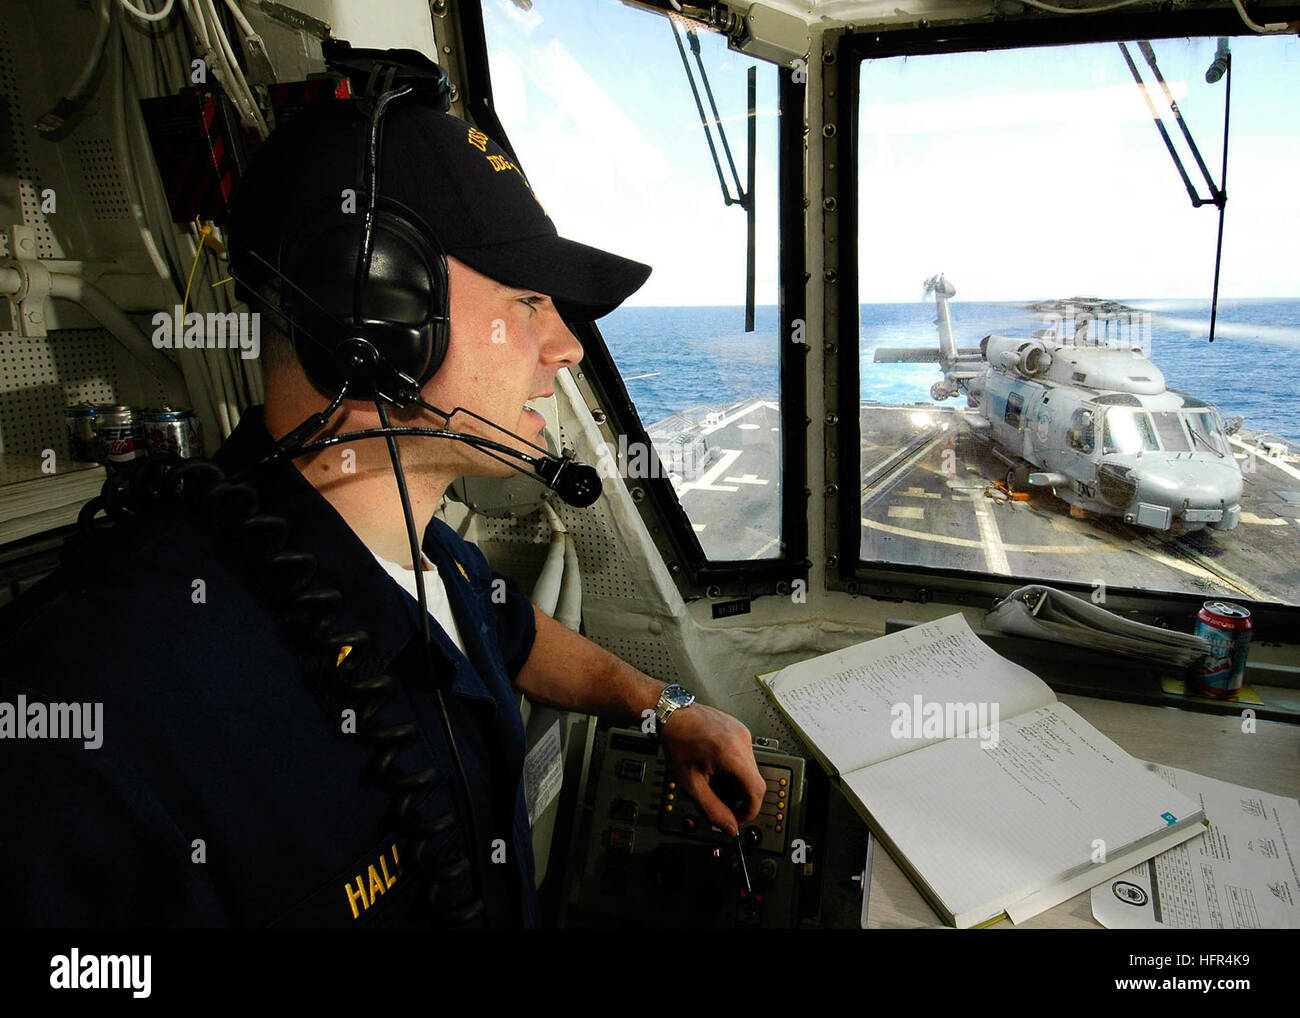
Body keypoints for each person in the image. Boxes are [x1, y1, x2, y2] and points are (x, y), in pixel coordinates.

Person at [0, 95, 765, 928]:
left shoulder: (426, 554)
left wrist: (664, 706)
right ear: (371, 313)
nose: (566, 344)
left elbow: (511, 631)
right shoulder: (97, 711)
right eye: (523, 300)